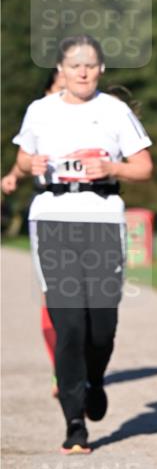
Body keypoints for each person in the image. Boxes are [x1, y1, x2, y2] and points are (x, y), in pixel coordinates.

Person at [12, 35, 153, 454]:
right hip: (53, 218)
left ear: (102, 69)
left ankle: (94, 379)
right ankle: (75, 423)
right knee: (69, 324)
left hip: (103, 219)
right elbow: (23, 159)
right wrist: (29, 164)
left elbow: (144, 167)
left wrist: (111, 166)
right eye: (75, 65)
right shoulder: (40, 111)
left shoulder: (114, 110)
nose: (83, 72)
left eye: (91, 65)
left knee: (101, 327)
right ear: (61, 69)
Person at [2, 67, 67, 385]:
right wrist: (15, 174)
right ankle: (61, 367)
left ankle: (80, 359)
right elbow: (24, 156)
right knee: (52, 293)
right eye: (57, 88)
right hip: (50, 209)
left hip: (91, 212)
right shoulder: (39, 117)